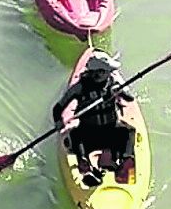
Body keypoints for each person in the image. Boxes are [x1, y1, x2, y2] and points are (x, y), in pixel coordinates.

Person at [51, 51, 137, 188]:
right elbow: (57, 109)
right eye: (107, 71)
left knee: (128, 132)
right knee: (74, 135)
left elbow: (129, 98)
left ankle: (123, 164)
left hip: (110, 131)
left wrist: (120, 91)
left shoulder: (113, 84)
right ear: (97, 73)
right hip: (89, 134)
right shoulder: (79, 88)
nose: (110, 73)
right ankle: (86, 168)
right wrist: (58, 122)